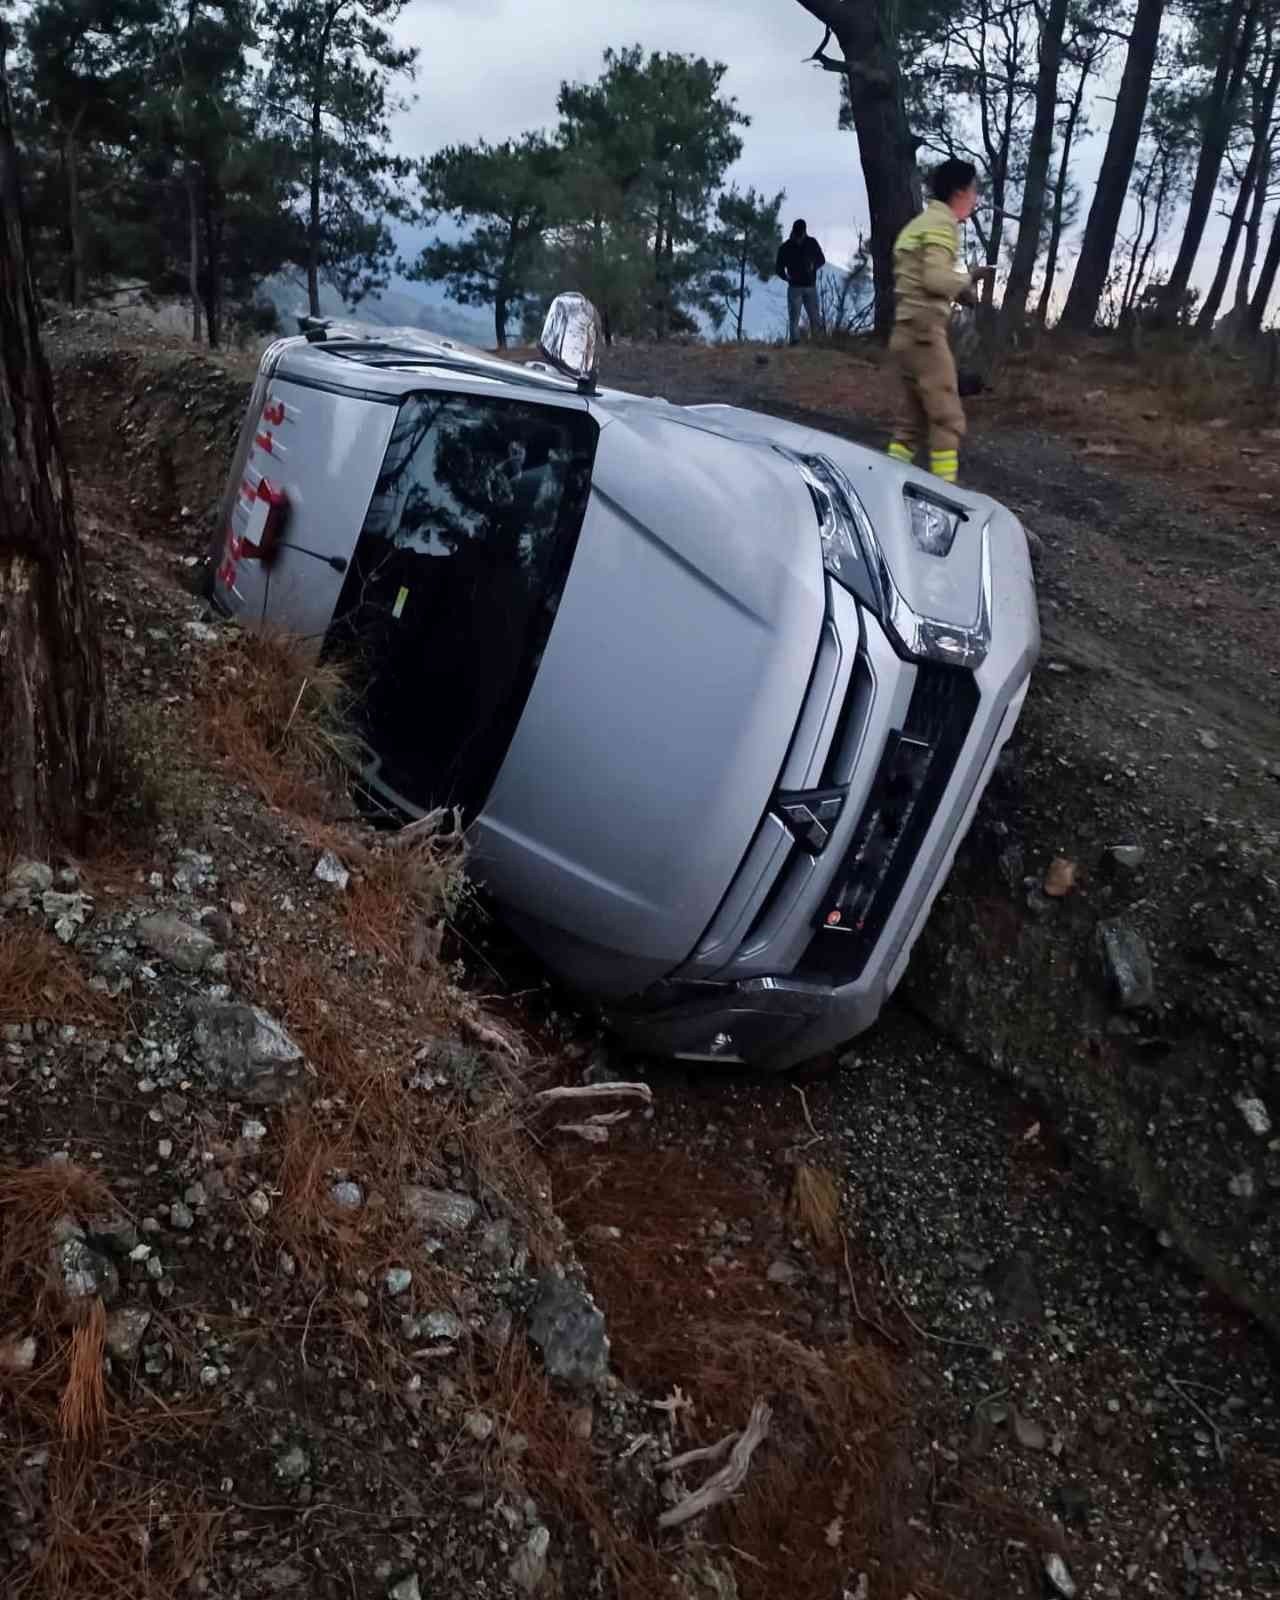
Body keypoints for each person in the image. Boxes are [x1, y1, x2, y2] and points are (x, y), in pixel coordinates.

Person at [886, 159, 995, 485]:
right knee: (947, 419)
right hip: (924, 335)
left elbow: (920, 277)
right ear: (959, 191)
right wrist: (967, 280)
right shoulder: (942, 225)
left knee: (912, 422)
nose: (975, 197)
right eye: (973, 190)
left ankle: (886, 483)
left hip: (905, 334)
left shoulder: (917, 226)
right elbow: (935, 279)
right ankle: (946, 494)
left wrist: (962, 289)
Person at [775, 220, 826, 344]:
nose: (798, 238)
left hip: (810, 287)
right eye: (797, 235)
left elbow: (821, 259)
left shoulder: (812, 243)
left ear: (804, 232)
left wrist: (814, 266)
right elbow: (778, 268)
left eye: (800, 235)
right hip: (795, 288)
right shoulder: (786, 247)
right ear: (793, 231)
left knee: (815, 317)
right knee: (794, 318)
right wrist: (786, 277)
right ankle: (795, 343)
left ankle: (817, 343)